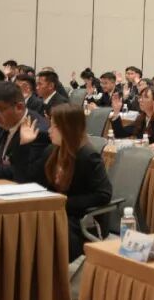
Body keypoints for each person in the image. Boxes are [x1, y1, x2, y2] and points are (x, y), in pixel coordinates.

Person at [12, 104, 112, 261]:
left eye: (54, 126)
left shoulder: (88, 156)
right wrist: (25, 145)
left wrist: (62, 202)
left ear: (68, 128)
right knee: (22, 225)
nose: (49, 130)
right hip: (55, 213)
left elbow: (103, 195)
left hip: (81, 221)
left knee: (42, 232)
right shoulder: (52, 151)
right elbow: (27, 178)